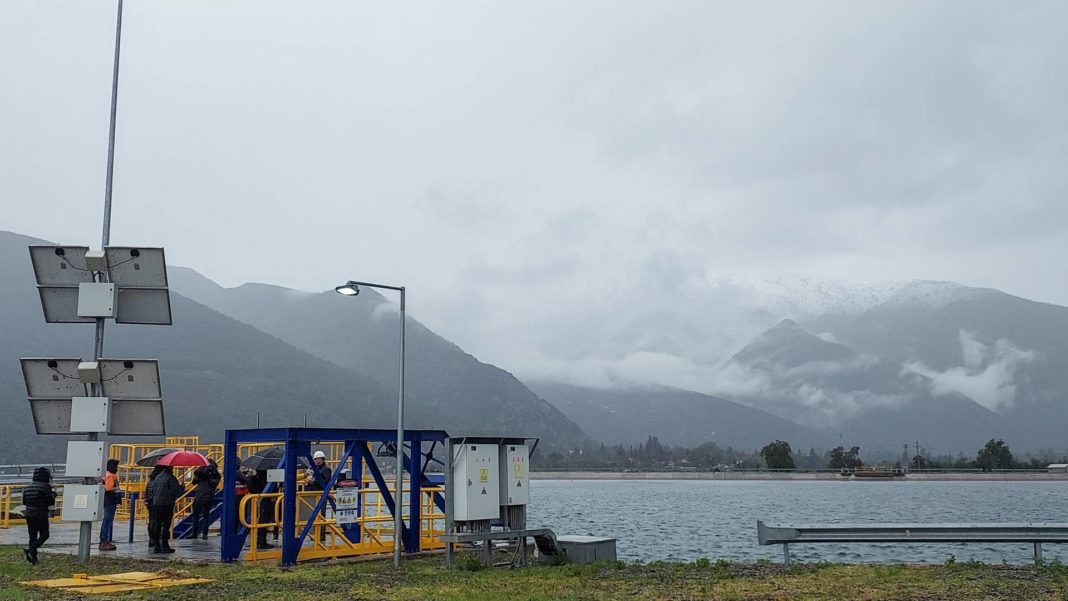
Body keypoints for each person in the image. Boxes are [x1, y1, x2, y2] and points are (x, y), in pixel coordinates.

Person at [21, 467, 56, 564]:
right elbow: (50, 501)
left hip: (29, 514)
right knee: (45, 535)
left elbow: (24, 502)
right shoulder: (46, 487)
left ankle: (33, 558)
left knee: (32, 536)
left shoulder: (28, 487)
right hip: (41, 514)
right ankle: (31, 549)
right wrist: (53, 495)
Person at [145, 465, 183, 554]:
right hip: (167, 504)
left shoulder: (157, 478)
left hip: (156, 504)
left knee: (157, 525)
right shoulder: (171, 478)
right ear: (170, 468)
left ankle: (157, 546)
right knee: (166, 526)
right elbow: (176, 492)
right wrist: (182, 488)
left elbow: (153, 491)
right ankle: (165, 545)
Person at [306, 451, 333, 542]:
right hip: (312, 494)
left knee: (321, 514)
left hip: (321, 495)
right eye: (315, 459)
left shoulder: (326, 470)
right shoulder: (312, 469)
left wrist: (313, 481)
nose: (316, 461)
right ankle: (313, 534)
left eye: (317, 459)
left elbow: (326, 482)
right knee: (312, 514)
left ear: (322, 459)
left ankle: (321, 535)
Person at [190, 459, 220, 540]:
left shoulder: (216, 474)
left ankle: (204, 533)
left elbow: (214, 484)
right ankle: (194, 532)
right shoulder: (201, 473)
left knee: (205, 515)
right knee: (195, 515)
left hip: (207, 495)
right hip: (199, 495)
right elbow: (194, 482)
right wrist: (197, 475)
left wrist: (208, 477)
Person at [245, 469, 274, 549]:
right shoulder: (268, 472)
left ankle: (259, 540)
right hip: (266, 496)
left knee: (260, 518)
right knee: (264, 518)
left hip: (259, 496)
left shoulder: (260, 471)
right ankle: (262, 541)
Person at [99, 459, 121, 551]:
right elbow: (108, 488)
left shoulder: (106, 474)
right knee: (107, 521)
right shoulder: (110, 476)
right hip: (110, 501)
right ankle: (104, 541)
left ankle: (104, 540)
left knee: (107, 521)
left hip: (109, 501)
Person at [144, 465, 165, 550]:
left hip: (150, 503)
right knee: (158, 522)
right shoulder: (159, 481)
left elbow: (147, 492)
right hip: (156, 503)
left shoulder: (150, 481)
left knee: (151, 521)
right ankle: (156, 539)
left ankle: (151, 539)